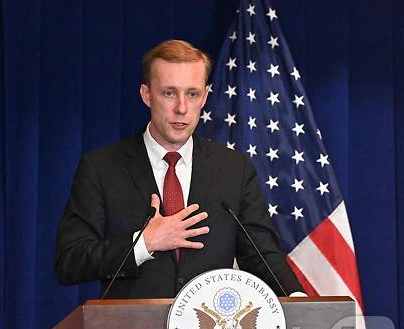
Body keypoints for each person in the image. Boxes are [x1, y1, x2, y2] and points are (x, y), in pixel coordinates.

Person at [54, 39, 303, 299]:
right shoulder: (101, 169)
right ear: (146, 95)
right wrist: (144, 243)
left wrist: (299, 301)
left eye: (192, 94)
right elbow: (69, 261)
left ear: (205, 97)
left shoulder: (234, 170)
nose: (181, 108)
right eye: (169, 93)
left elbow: (261, 254)